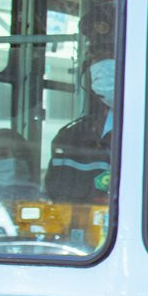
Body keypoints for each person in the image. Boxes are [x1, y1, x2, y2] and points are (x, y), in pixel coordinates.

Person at [46, 49, 116, 202]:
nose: (105, 66)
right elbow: (59, 202)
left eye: (113, 56)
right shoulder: (70, 138)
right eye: (97, 58)